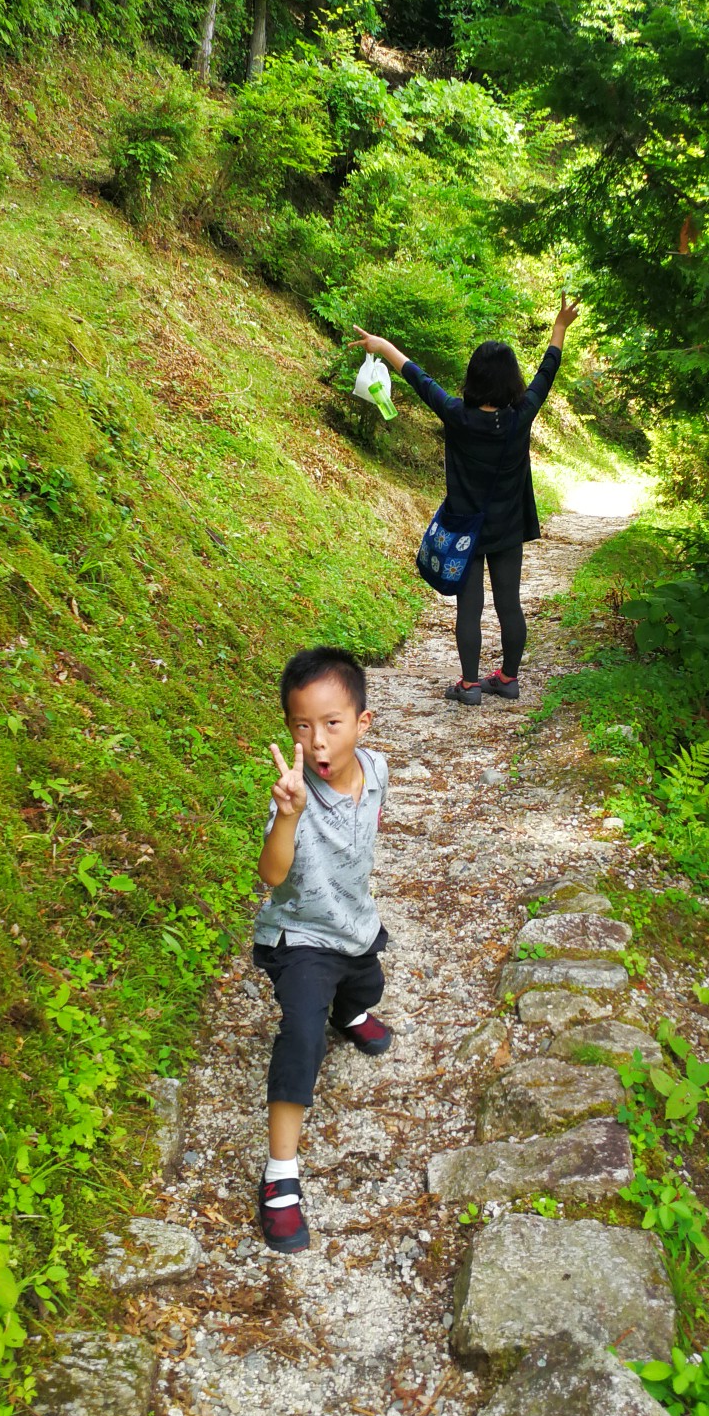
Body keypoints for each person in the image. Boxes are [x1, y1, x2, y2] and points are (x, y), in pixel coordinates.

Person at [352, 301, 580, 703]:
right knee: (510, 604)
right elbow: (548, 371)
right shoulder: (521, 414)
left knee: (469, 608)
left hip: (465, 529)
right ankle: (508, 679)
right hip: (508, 527)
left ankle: (470, 684)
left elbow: (418, 377)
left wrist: (382, 345)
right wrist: (560, 326)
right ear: (512, 381)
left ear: (473, 378)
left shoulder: (456, 414)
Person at [253, 645, 391, 1253]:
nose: (318, 742)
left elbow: (367, 827)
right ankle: (280, 1175)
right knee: (302, 1035)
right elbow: (273, 875)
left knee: (367, 987)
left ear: (362, 724)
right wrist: (288, 817)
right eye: (301, 726)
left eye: (332, 724)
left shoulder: (378, 770)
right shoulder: (294, 797)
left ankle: (350, 1010)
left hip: (352, 925)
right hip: (302, 938)